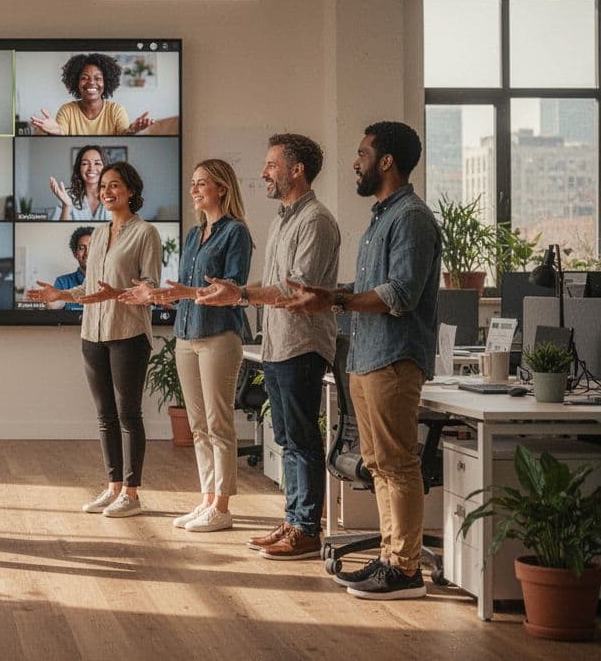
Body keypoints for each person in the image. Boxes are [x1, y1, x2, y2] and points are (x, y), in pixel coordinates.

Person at [276, 121, 441, 601]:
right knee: (379, 462)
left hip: (393, 358)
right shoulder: (380, 218)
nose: (355, 161)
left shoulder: (409, 217)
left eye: (362, 152)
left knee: (397, 464)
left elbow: (401, 294)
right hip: (367, 357)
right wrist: (331, 295)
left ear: (386, 161)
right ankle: (391, 557)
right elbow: (370, 290)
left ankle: (405, 568)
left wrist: (337, 301)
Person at [194, 134, 339, 560]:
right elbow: (268, 285)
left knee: (301, 439)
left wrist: (238, 296)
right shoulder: (281, 220)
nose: (263, 174)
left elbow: (296, 291)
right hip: (276, 344)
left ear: (297, 170)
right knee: (287, 438)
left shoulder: (315, 221)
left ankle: (308, 529)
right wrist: (236, 290)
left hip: (301, 344)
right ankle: (295, 520)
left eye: (272, 165)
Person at [122, 158, 252, 534]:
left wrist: (186, 292)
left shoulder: (236, 233)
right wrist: (159, 295)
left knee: (218, 423)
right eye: (193, 184)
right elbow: (187, 291)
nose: (193, 190)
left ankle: (223, 507)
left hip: (219, 336)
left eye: (201, 184)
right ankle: (207, 499)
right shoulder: (195, 235)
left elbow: (231, 291)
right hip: (186, 335)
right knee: (197, 425)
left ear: (222, 189)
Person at [27, 163, 161, 518]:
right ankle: (113, 486)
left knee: (128, 414)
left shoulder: (146, 233)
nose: (107, 191)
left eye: (115, 185)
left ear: (131, 190)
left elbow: (150, 287)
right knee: (105, 416)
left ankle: (132, 493)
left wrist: (122, 293)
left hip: (128, 333)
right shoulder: (99, 234)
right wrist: (61, 293)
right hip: (93, 334)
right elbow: (90, 290)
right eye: (103, 186)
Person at [28, 53, 161, 136]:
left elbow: (123, 134)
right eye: (84, 78)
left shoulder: (116, 110)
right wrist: (56, 133)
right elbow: (61, 132)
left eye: (98, 78)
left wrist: (133, 130)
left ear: (107, 82)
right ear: (76, 82)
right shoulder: (67, 110)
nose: (91, 83)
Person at [50, 145, 110, 220]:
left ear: (106, 168)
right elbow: (58, 230)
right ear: (79, 168)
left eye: (97, 163)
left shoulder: (115, 195)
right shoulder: (67, 195)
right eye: (85, 163)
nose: (91, 168)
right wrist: (66, 206)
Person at [48, 226, 94, 312]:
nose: (87, 253)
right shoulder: (62, 282)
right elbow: (55, 306)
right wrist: (50, 303)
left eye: (92, 246)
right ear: (75, 253)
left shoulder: (110, 280)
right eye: (82, 248)